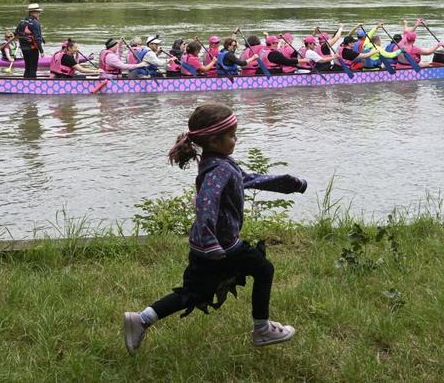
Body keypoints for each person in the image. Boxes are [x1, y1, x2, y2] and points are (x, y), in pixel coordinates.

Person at [123, 102, 307, 354]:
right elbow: (206, 205)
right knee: (264, 269)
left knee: (194, 293)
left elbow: (246, 179)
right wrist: (210, 242)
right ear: (213, 140)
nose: (236, 139)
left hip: (210, 247)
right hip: (220, 246)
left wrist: (286, 183)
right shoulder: (218, 169)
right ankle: (262, 329)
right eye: (231, 135)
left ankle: (141, 319)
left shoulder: (219, 161)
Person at [15, 3, 45, 78]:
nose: (39, 14)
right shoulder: (35, 23)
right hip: (32, 49)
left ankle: (25, 83)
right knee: (33, 68)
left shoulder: (22, 21)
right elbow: (37, 38)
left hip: (24, 48)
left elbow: (16, 33)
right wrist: (41, 51)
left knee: (27, 67)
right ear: (33, 12)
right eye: (38, 12)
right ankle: (33, 85)